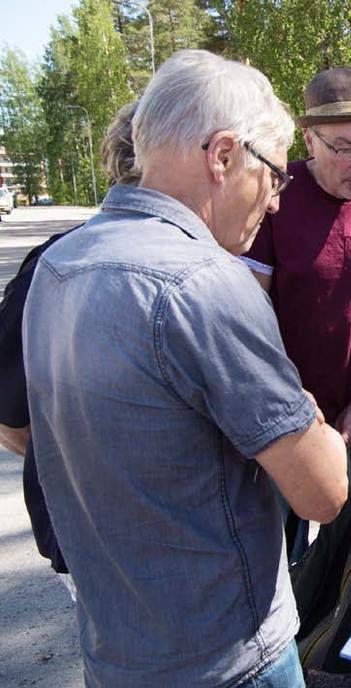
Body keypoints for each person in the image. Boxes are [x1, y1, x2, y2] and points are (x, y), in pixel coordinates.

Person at [23, 50, 348, 686]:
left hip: (117, 653)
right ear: (224, 156)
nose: (278, 201)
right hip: (228, 658)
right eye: (276, 175)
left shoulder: (57, 267)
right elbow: (324, 492)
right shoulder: (207, 284)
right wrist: (305, 413)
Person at [243, 68, 351, 529]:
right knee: (282, 554)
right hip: (284, 418)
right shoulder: (276, 196)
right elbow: (252, 314)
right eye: (345, 149)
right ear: (310, 140)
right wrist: (297, 409)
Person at [0, 99, 140, 596]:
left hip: (80, 538)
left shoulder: (50, 262)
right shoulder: (53, 264)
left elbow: (11, 418)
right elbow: (11, 418)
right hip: (110, 545)